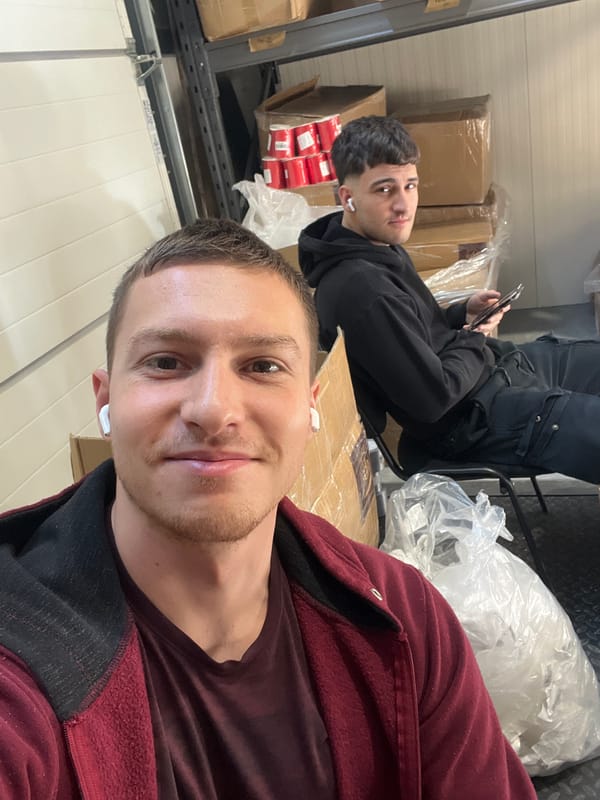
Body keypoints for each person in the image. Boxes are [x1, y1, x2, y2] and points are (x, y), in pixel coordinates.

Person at [0, 218, 536, 799]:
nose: (213, 409)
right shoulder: (20, 670)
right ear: (107, 400)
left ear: (311, 408)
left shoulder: (404, 620)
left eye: (261, 366)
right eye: (165, 362)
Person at [298, 115, 600, 480]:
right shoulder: (362, 289)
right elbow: (433, 399)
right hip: (468, 422)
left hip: (489, 375)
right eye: (384, 190)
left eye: (410, 185)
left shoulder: (375, 245)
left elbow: (413, 328)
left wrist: (460, 313)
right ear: (347, 198)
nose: (403, 204)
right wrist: (476, 335)